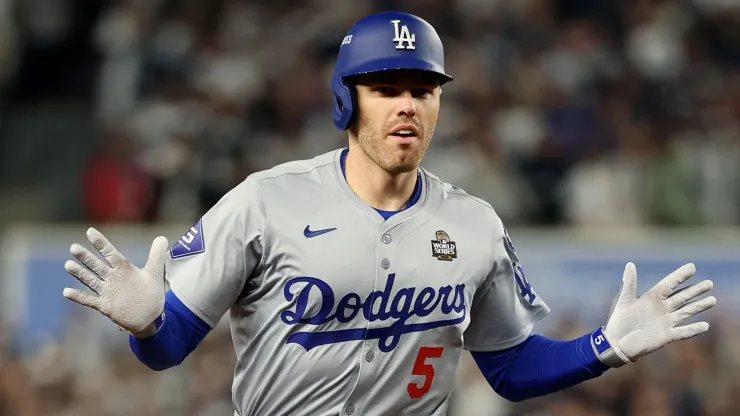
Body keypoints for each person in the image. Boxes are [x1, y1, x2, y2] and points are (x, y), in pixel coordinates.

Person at [61, 11, 716, 416]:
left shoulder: (476, 223)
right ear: (347, 103)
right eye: (386, 89)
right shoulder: (265, 200)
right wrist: (147, 326)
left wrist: (606, 348)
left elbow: (510, 369)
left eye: (422, 90)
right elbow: (168, 347)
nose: (407, 105)